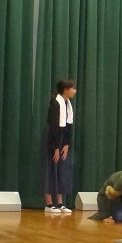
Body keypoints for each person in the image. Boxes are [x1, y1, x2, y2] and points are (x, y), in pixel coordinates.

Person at [44, 79, 77, 214]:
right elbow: (53, 127)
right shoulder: (55, 104)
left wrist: (66, 144)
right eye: (73, 88)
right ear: (65, 90)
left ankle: (60, 202)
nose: (75, 91)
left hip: (62, 141)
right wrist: (56, 147)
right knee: (50, 169)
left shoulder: (67, 104)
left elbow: (68, 126)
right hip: (52, 141)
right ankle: (49, 203)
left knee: (62, 170)